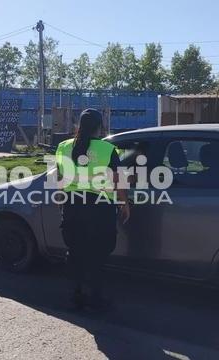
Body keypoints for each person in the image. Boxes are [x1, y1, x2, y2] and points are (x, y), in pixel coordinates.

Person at [55, 108, 130, 310]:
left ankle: (75, 294)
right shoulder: (107, 150)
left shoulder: (63, 147)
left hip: (72, 206)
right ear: (100, 127)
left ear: (80, 125)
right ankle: (96, 297)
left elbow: (61, 178)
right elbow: (118, 180)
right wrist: (124, 203)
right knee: (98, 254)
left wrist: (61, 200)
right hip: (100, 209)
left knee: (75, 251)